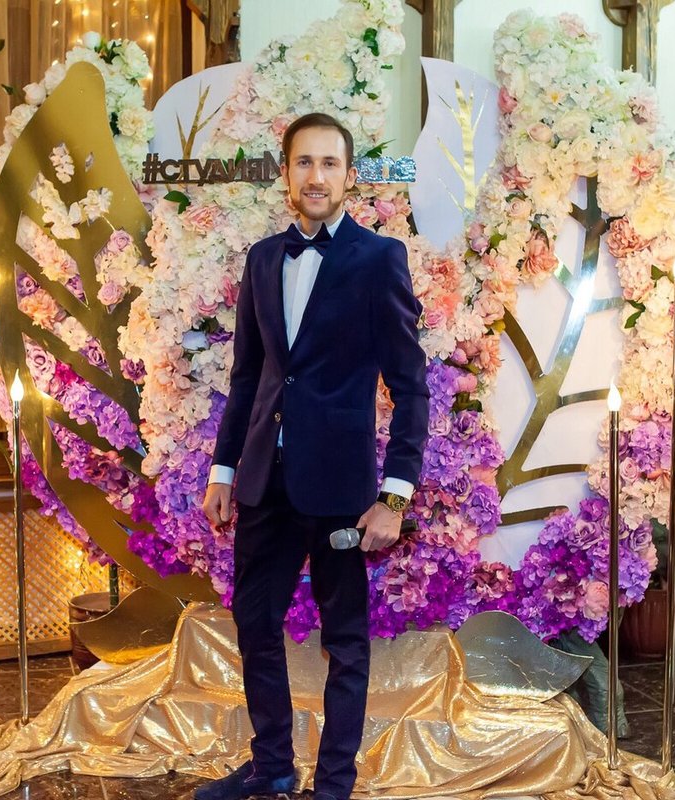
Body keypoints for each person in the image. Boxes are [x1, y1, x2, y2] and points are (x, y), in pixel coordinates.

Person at [196, 113, 429, 800]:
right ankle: (271, 766)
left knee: (345, 642)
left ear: (349, 176)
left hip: (341, 491)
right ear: (286, 175)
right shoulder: (263, 258)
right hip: (264, 482)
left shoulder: (379, 259)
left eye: (329, 163)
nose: (317, 176)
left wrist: (394, 497)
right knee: (254, 625)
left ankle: (333, 785)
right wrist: (224, 470)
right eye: (304, 163)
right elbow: (249, 376)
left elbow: (411, 387)